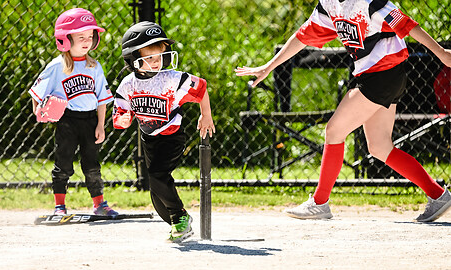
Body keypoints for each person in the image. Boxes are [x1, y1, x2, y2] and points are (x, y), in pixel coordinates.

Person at [235, 0, 451, 222]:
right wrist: (268, 66)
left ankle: (320, 203)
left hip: (383, 74)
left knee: (334, 130)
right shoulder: (329, 3)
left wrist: (442, 53)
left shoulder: (368, 2)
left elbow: (406, 24)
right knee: (379, 146)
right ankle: (438, 195)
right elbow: (303, 36)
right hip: (380, 75)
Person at [113, 21, 215, 242]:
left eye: (159, 56)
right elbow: (121, 113)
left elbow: (201, 87)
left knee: (158, 176)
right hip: (148, 138)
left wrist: (205, 114)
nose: (156, 62)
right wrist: (122, 119)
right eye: (150, 58)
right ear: (133, 59)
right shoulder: (128, 85)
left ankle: (181, 218)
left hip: (172, 136)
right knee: (157, 193)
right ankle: (177, 224)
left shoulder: (172, 79)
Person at [29, 8, 117, 216]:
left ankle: (100, 205)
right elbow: (36, 90)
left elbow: (102, 100)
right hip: (67, 121)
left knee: (92, 165)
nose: (87, 41)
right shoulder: (57, 66)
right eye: (80, 37)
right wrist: (38, 110)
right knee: (64, 162)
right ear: (65, 40)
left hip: (89, 120)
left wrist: (100, 125)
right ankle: (60, 206)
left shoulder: (94, 66)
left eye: (90, 36)